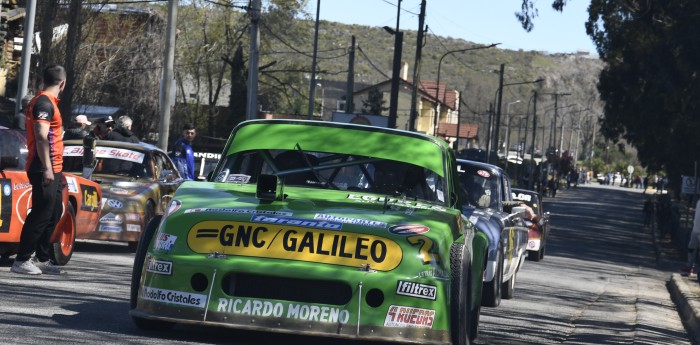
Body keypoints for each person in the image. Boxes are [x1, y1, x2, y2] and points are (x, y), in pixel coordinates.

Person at [11, 64, 67, 275]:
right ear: (63, 83)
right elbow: (42, 136)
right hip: (44, 165)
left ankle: (42, 257)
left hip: (55, 165)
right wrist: (47, 168)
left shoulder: (49, 102)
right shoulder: (43, 102)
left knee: (53, 212)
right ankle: (22, 260)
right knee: (41, 212)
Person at [681, 198, 700, 277]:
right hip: (695, 228)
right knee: (691, 248)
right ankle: (690, 266)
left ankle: (697, 271)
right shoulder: (699, 201)